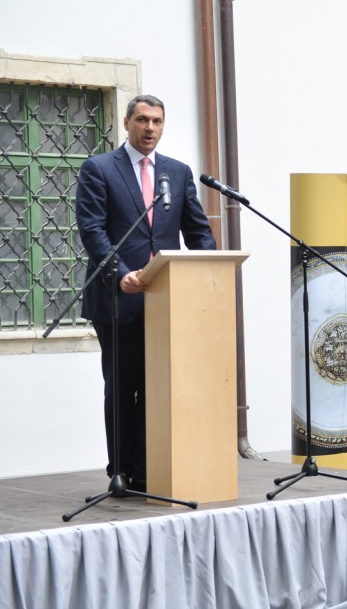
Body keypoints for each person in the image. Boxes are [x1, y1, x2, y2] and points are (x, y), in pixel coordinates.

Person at [76, 94, 216, 491]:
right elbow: (93, 230)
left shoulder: (177, 172)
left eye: (156, 121)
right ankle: (120, 471)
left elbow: (197, 231)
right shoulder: (100, 169)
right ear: (126, 123)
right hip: (118, 297)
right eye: (142, 120)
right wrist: (120, 274)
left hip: (166, 300)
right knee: (123, 387)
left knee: (158, 387)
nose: (149, 128)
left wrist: (210, 274)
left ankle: (146, 468)